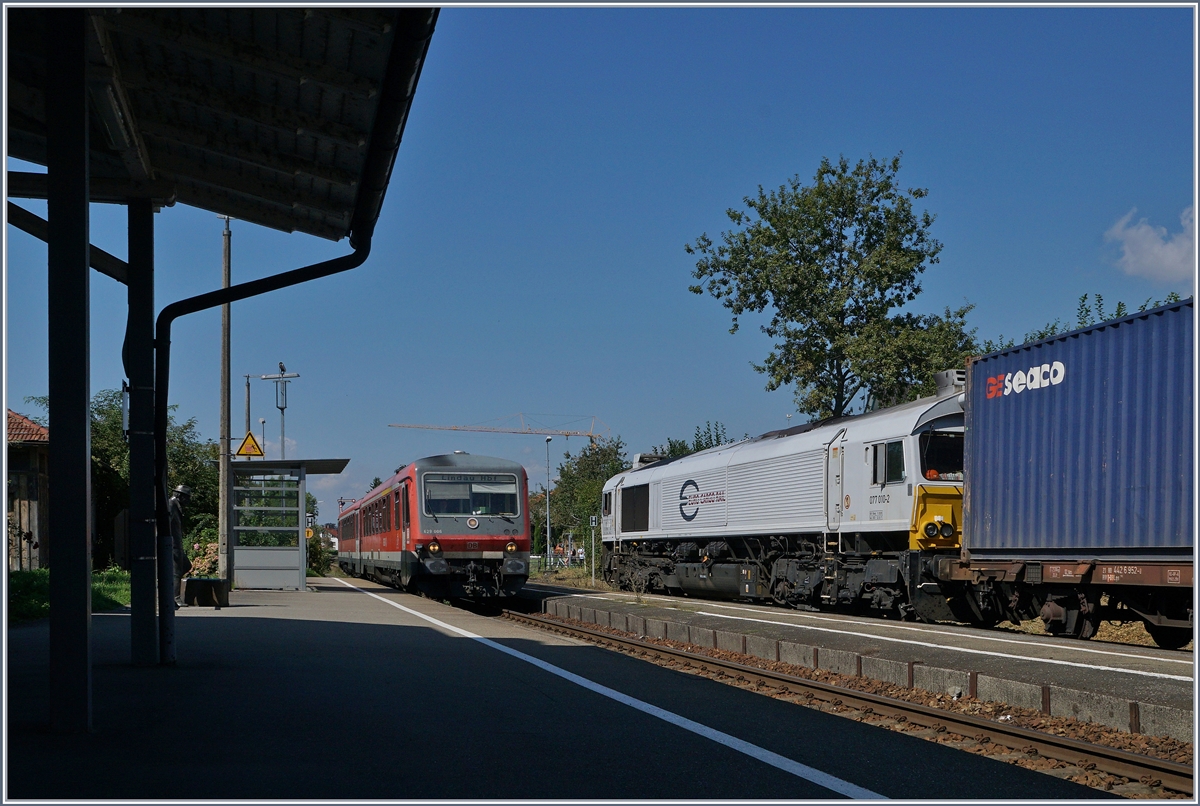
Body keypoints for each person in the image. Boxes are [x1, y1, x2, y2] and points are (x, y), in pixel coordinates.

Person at [168, 484, 193, 608]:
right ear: (179, 496)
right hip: (172, 545)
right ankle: (175, 597)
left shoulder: (177, 506)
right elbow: (164, 525)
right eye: (186, 497)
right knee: (176, 572)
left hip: (177, 544)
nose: (188, 500)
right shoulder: (171, 505)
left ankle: (169, 589)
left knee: (186, 566)